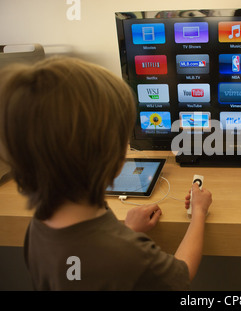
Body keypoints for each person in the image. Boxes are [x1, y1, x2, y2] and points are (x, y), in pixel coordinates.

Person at [0, 56, 212, 290]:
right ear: (110, 157)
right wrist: (199, 212)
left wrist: (127, 231)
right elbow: (180, 274)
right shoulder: (129, 255)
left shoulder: (38, 227)